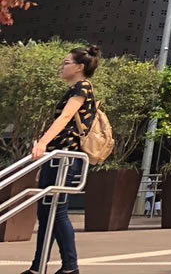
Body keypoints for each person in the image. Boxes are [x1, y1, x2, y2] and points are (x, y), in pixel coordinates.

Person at [20, 45, 100, 274]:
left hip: (66, 159)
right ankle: (38, 266)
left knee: (57, 211)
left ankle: (70, 267)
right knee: (46, 213)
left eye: (66, 63)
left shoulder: (83, 87)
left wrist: (43, 143)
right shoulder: (75, 88)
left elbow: (65, 117)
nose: (61, 67)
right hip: (57, 158)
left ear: (79, 67)